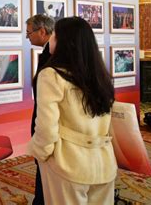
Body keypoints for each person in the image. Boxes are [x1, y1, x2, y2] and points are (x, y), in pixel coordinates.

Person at [28, 17, 117, 204]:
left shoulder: (51, 75)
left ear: (64, 42)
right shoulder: (100, 75)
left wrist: (41, 154)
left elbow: (46, 127)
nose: (50, 39)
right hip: (104, 162)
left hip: (68, 164)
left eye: (54, 36)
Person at [25, 14, 55, 205]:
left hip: (47, 126)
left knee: (46, 174)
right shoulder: (48, 51)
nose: (27, 37)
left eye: (29, 33)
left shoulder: (52, 55)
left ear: (42, 31)